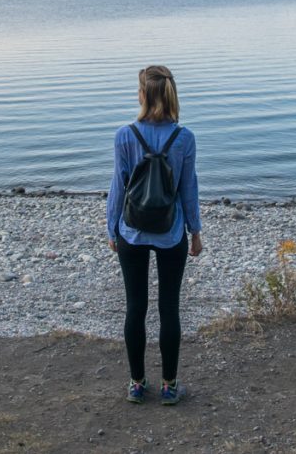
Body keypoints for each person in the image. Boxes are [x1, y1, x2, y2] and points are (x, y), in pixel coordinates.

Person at [106, 65, 203, 406]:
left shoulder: (125, 135)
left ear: (143, 95)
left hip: (132, 231)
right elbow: (188, 188)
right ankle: (170, 386)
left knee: (135, 307)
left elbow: (118, 186)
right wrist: (195, 231)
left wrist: (112, 227)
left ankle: (136, 384)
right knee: (169, 308)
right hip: (171, 230)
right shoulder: (185, 138)